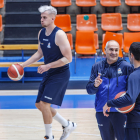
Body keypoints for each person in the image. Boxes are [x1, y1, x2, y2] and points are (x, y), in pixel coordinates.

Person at [20, 5, 77, 140]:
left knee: (45, 104)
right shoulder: (41, 33)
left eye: (44, 17)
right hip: (50, 72)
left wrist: (48, 66)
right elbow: (39, 53)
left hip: (60, 73)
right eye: (41, 17)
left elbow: (68, 58)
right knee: (39, 104)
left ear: (53, 18)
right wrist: (21, 65)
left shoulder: (59, 34)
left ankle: (49, 136)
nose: (42, 19)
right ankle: (67, 124)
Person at [86, 40, 133, 140]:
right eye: (111, 49)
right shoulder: (96, 67)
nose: (114, 52)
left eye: (116, 50)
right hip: (102, 112)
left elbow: (132, 93)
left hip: (121, 112)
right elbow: (90, 91)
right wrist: (95, 85)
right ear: (105, 50)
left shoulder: (127, 67)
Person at [103, 42, 140, 140]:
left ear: (131, 55)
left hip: (136, 123)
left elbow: (130, 99)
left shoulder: (135, 75)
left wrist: (110, 103)